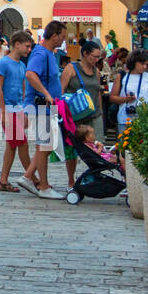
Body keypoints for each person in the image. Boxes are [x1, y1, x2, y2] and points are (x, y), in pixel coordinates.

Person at [16, 20, 67, 199]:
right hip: (41, 106)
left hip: (48, 107)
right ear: (54, 36)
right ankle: (30, 178)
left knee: (43, 146)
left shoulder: (49, 53)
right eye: (62, 36)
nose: (63, 40)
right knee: (46, 145)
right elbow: (30, 74)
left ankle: (42, 184)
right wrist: (46, 93)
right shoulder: (40, 53)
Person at [0, 30, 34, 192]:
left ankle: (3, 180)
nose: (29, 50)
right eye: (27, 46)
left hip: (17, 108)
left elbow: (23, 89)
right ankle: (32, 178)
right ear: (17, 45)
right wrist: (3, 112)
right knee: (22, 143)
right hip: (7, 108)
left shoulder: (22, 65)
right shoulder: (3, 63)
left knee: (12, 145)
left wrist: (24, 111)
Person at [60, 39, 104, 188]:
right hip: (75, 116)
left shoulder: (96, 71)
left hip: (94, 114)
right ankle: (71, 181)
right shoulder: (71, 68)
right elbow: (61, 89)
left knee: (98, 146)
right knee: (73, 149)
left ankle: (95, 176)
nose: (97, 60)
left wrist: (101, 112)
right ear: (85, 54)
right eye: (94, 56)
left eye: (99, 57)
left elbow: (97, 92)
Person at [109, 50, 148, 131]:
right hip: (125, 119)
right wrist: (126, 99)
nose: (144, 67)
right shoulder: (122, 76)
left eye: (146, 64)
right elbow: (112, 97)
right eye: (142, 64)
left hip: (146, 120)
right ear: (134, 62)